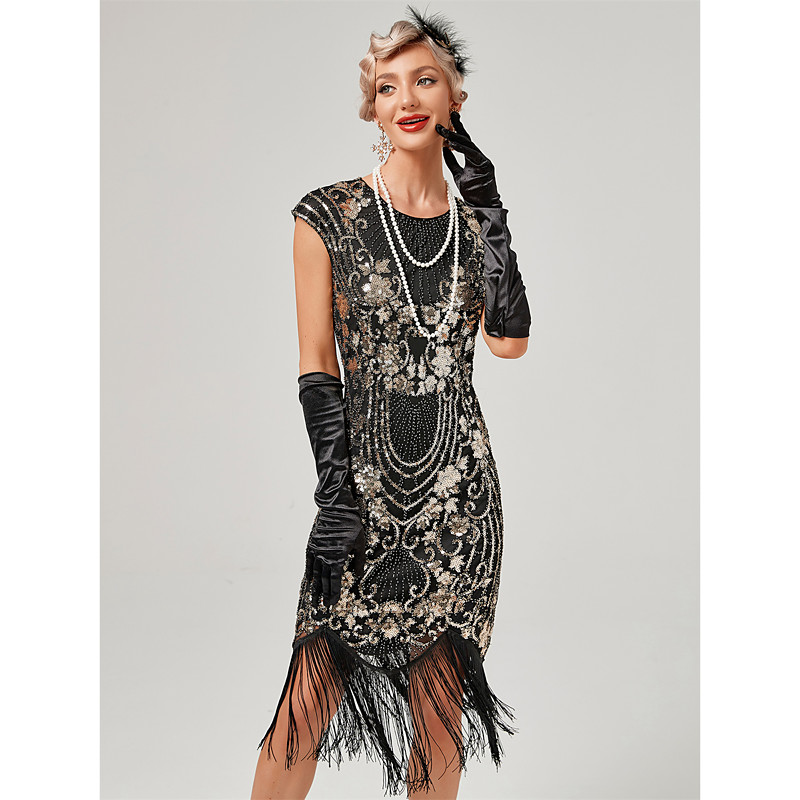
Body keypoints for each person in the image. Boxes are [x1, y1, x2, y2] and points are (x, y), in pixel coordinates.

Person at [250, 6, 531, 798]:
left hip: (459, 499)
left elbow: (509, 342)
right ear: (371, 108)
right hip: (361, 492)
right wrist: (334, 493)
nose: (405, 98)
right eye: (386, 86)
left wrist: (493, 216)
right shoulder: (328, 215)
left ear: (456, 98)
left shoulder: (475, 226)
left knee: (440, 717)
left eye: (424, 80)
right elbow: (316, 365)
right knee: (304, 706)